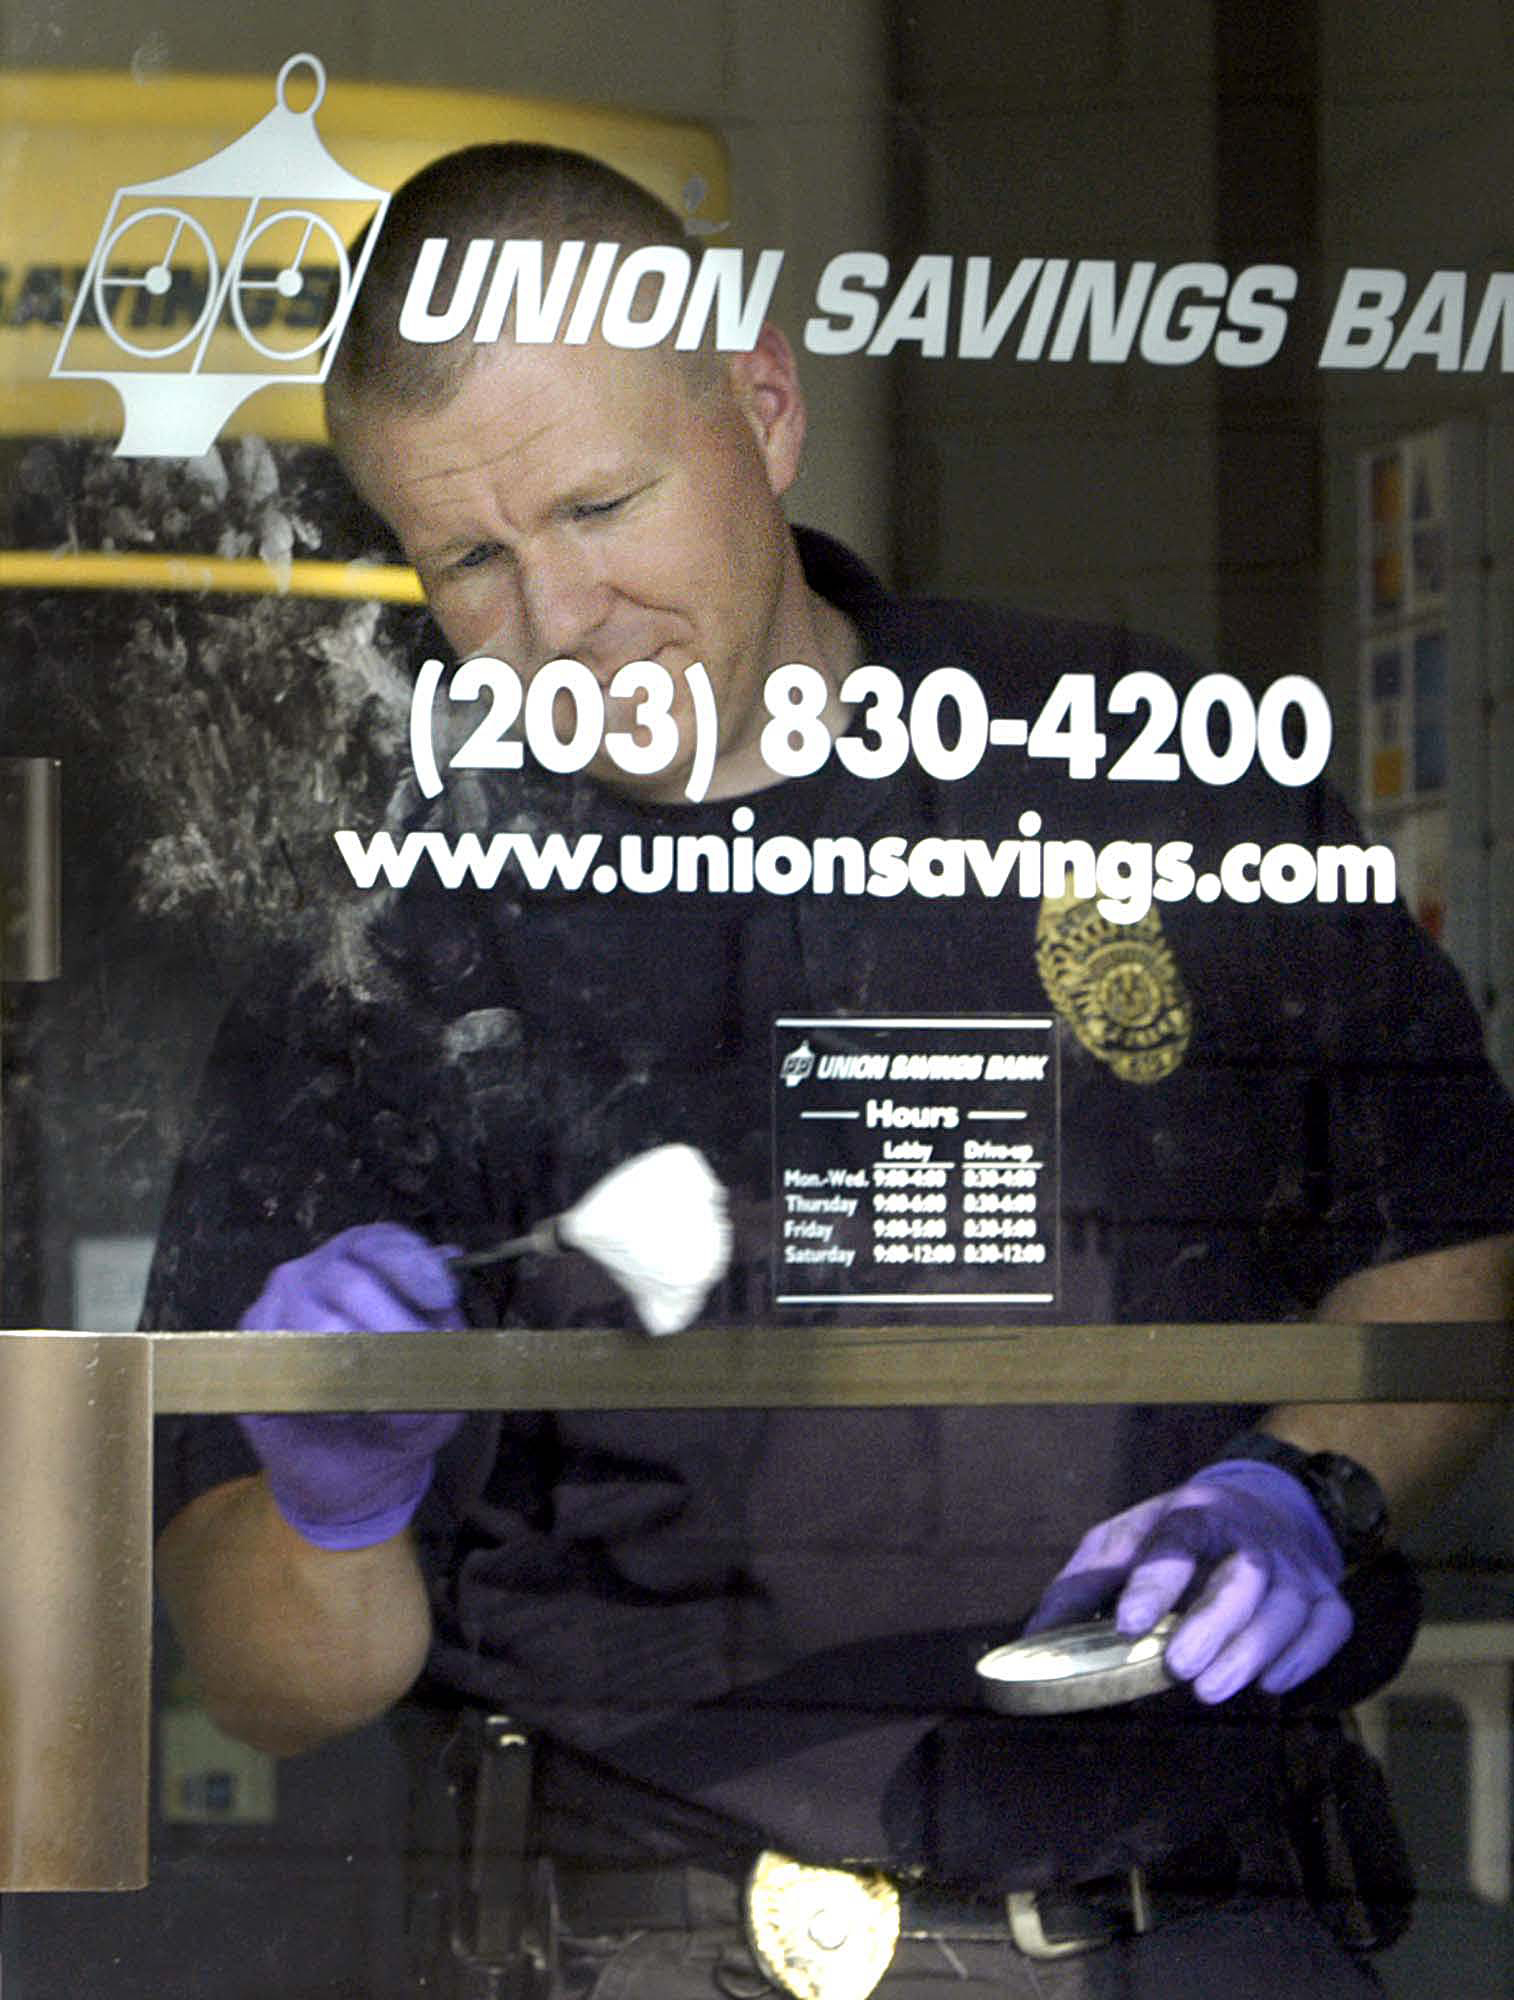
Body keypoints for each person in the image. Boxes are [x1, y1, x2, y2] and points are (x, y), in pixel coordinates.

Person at [150, 145, 1514, 1999]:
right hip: (625, 1945)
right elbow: (258, 1673)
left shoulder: (1136, 766)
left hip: (1192, 1920)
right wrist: (332, 1505)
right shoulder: (383, 941)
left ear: (763, 409)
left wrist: (1308, 1485)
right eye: (472, 555)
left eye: (600, 505)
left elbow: (1440, 1244)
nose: (559, 617)